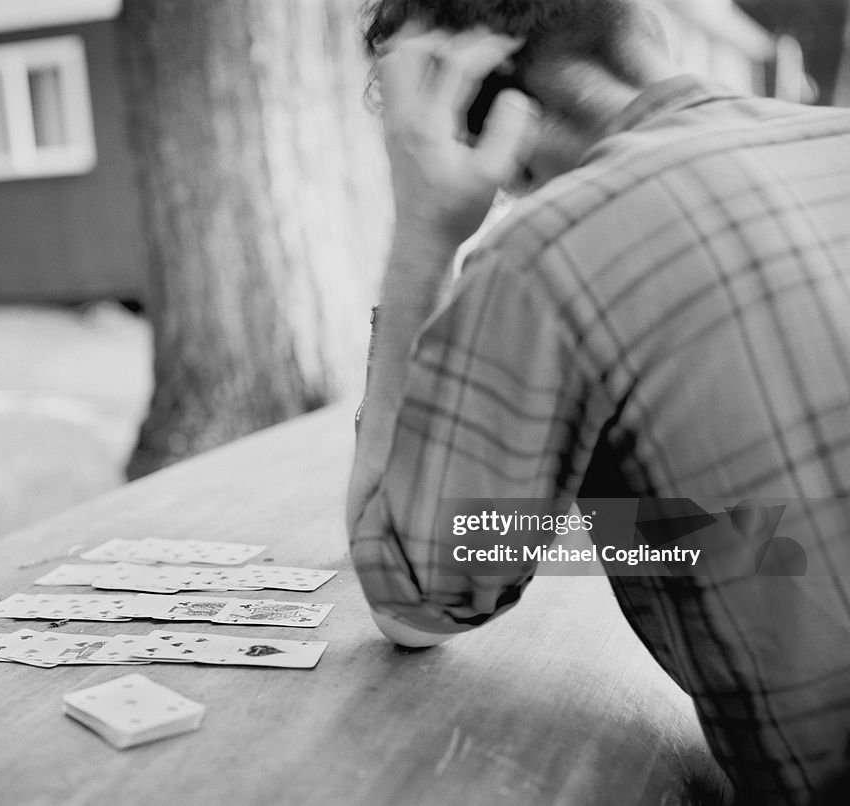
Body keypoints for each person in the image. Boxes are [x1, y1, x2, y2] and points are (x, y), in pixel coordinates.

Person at [346, 0, 850, 803]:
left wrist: (421, 240)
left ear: (468, 101)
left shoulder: (547, 251)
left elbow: (413, 603)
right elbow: (767, 526)